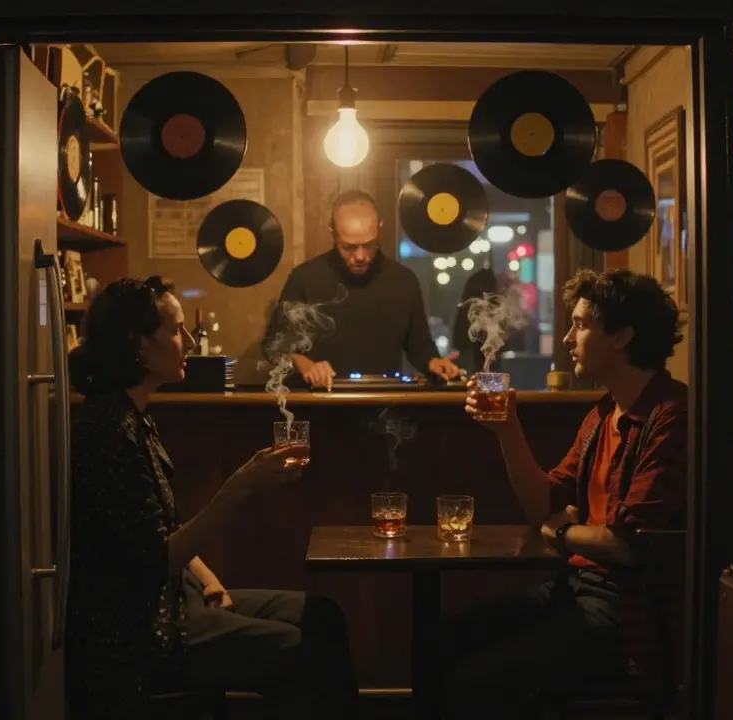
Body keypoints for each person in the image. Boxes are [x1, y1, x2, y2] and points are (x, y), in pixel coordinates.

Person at [65, 276, 360, 719]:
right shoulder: (107, 429)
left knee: (322, 616)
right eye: (175, 330)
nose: (187, 340)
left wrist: (205, 577)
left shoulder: (133, 415)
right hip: (140, 630)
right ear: (137, 345)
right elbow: (151, 559)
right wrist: (241, 485)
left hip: (173, 596)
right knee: (306, 654)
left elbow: (159, 529)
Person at [445, 268, 687, 717]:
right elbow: (543, 504)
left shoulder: (669, 416)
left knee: (478, 679)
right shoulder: (603, 414)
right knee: (448, 639)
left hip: (626, 609)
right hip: (578, 585)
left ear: (621, 337)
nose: (567, 339)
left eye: (581, 324)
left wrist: (563, 532)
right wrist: (507, 432)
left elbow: (629, 546)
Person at [263, 190, 460, 388]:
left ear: (379, 229)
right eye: (349, 247)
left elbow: (419, 346)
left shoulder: (403, 280)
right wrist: (306, 366)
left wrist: (434, 363)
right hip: (319, 403)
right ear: (332, 232)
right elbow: (274, 346)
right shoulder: (306, 278)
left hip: (384, 404)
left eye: (369, 245)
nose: (360, 256)